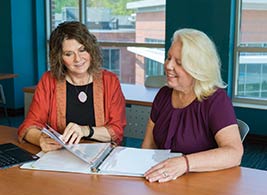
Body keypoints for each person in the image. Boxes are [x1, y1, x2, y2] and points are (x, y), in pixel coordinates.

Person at [142, 28, 243, 183]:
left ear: (198, 67)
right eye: (168, 58)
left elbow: (235, 153)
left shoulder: (215, 100)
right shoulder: (163, 94)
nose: (168, 66)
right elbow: (148, 145)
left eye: (179, 62)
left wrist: (185, 163)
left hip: (202, 184)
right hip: (164, 181)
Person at [18, 21, 126, 152]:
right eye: (69, 54)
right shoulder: (49, 80)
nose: (78, 59)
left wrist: (85, 130)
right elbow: (29, 125)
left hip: (100, 157)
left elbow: (116, 130)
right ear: (59, 58)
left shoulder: (110, 81)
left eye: (82, 50)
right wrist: (40, 139)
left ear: (90, 49)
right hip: (61, 156)